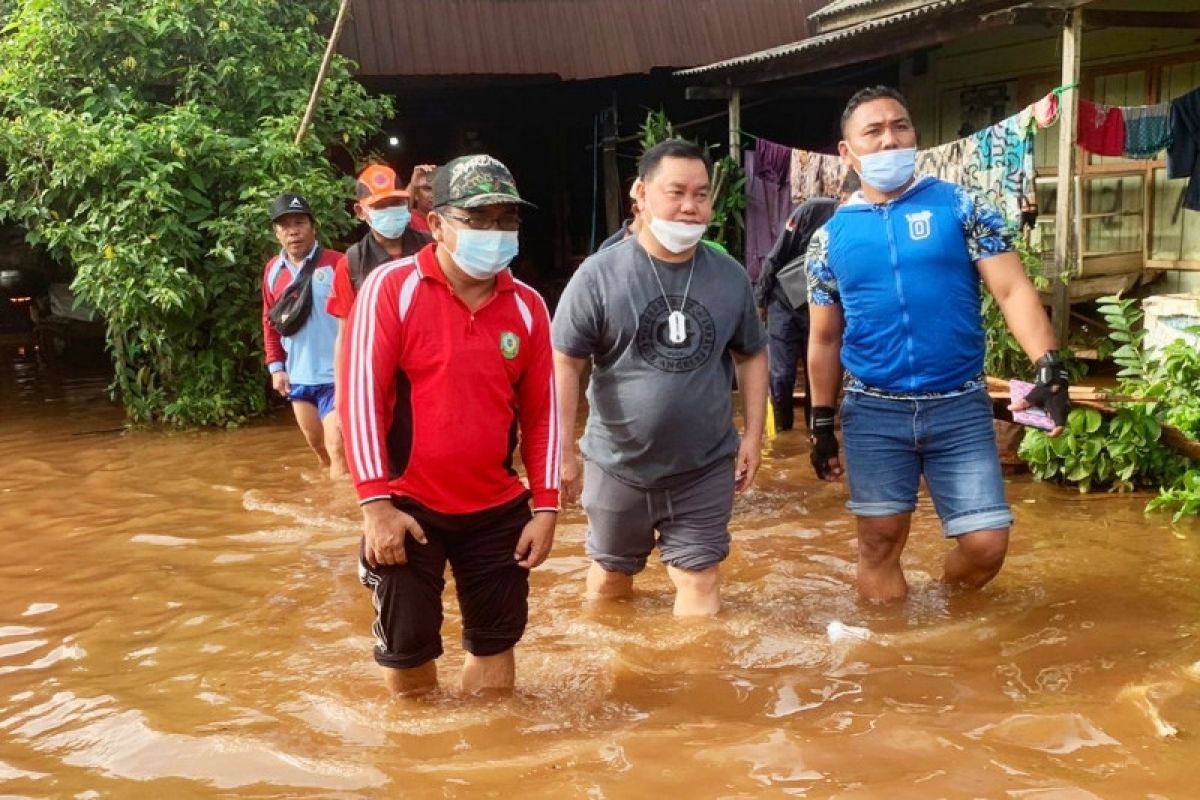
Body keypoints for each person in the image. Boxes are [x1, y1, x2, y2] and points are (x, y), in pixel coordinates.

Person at [805, 86, 1069, 603]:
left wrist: (1050, 366)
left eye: (900, 126)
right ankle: (893, 661)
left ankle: (945, 610)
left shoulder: (963, 206)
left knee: (986, 545)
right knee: (879, 543)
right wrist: (819, 423)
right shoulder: (828, 238)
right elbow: (825, 336)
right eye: (873, 131)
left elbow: (1012, 289)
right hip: (873, 412)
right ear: (847, 151)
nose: (889, 140)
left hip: (959, 406)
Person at [339, 155, 559, 696]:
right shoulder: (391, 289)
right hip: (407, 507)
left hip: (496, 510)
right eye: (478, 219)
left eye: (506, 219)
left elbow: (543, 415)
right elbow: (359, 399)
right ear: (435, 224)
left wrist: (547, 507)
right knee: (409, 666)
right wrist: (376, 506)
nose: (495, 232)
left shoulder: (529, 306)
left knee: (496, 667)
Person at [553, 139, 769, 617]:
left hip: (704, 464)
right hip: (617, 463)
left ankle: (693, 687)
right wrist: (563, 451)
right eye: (676, 193)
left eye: (701, 194)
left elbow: (752, 354)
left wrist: (752, 436)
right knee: (611, 576)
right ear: (640, 193)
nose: (690, 207)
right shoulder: (598, 275)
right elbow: (565, 361)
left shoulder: (730, 276)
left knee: (701, 577)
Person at [755, 170, 861, 431]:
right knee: (781, 376)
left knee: (821, 378)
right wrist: (760, 302)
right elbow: (775, 257)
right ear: (842, 197)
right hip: (784, 303)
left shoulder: (866, 228)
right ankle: (783, 436)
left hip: (825, 309)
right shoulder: (810, 211)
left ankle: (816, 436)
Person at [261, 192, 346, 479]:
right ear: (276, 233)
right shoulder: (272, 271)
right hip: (299, 377)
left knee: (338, 450)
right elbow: (269, 320)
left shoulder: (339, 264)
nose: (293, 231)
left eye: (299, 222)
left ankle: (340, 516)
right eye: (285, 226)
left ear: (313, 226)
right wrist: (276, 367)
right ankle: (326, 500)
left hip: (337, 378)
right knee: (319, 448)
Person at [406, 164, 437, 234]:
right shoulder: (408, 218)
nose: (433, 194)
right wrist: (413, 184)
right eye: (427, 189)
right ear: (416, 195)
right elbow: (401, 210)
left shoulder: (444, 222)